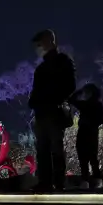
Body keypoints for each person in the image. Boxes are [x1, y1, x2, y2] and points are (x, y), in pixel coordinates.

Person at [28, 29, 77, 192]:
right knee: (42, 149)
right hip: (42, 113)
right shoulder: (41, 68)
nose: (38, 48)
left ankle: (59, 181)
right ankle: (45, 181)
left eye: (40, 44)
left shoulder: (63, 61)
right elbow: (35, 92)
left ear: (49, 41)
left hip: (54, 111)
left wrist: (54, 99)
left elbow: (70, 85)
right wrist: (34, 103)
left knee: (55, 147)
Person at [70, 84, 103, 190]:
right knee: (93, 157)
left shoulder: (85, 104)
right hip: (93, 133)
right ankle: (97, 180)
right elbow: (101, 119)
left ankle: (86, 180)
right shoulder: (98, 105)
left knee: (83, 158)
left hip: (84, 132)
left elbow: (71, 100)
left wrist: (79, 92)